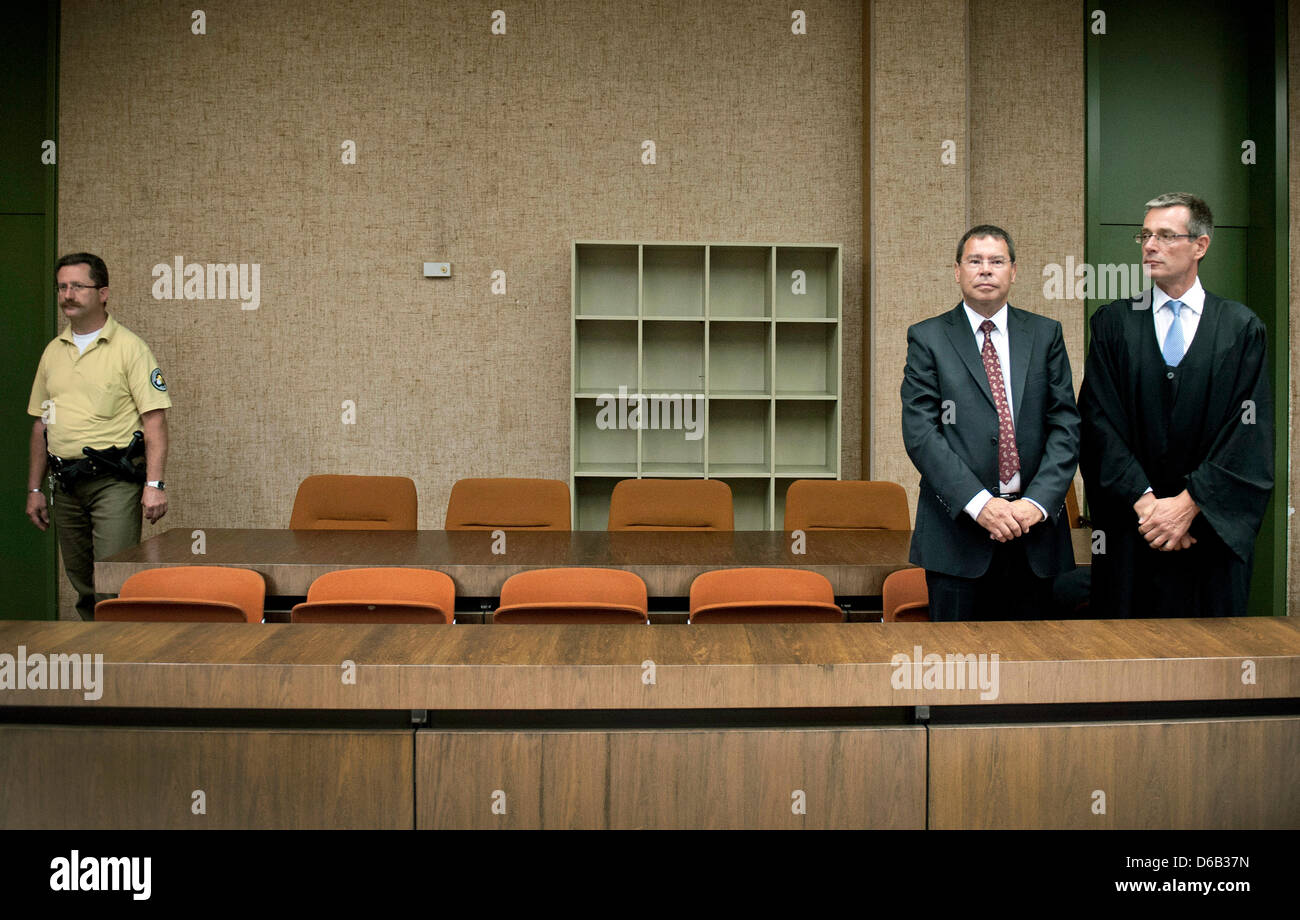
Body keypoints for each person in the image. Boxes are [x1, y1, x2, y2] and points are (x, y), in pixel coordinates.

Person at [1078, 193, 1273, 617]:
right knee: (1127, 665)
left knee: (1210, 667)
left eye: (1166, 236)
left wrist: (1188, 505)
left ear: (1200, 246)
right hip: (1134, 535)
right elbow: (1098, 423)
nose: (1150, 245)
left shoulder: (1241, 330)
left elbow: (1248, 435)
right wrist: (1150, 507)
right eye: (1145, 235)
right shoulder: (1114, 324)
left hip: (1209, 536)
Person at [901, 225, 1080, 620]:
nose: (986, 270)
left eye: (996, 261)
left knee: (1032, 671)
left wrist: (1037, 503)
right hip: (957, 540)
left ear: (1013, 272)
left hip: (1034, 535)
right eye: (975, 261)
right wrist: (980, 506)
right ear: (957, 271)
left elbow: (1065, 425)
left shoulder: (1045, 334)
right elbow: (921, 433)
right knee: (956, 669)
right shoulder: (928, 338)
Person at [25, 253, 171, 620]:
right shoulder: (52, 352)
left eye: (78, 286)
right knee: (82, 583)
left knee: (114, 578)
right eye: (62, 287)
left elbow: (155, 420)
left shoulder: (130, 348)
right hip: (65, 484)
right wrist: (35, 488)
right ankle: (97, 661)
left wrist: (154, 483)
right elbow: (42, 424)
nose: (68, 294)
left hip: (114, 483)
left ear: (103, 293)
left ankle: (122, 661)